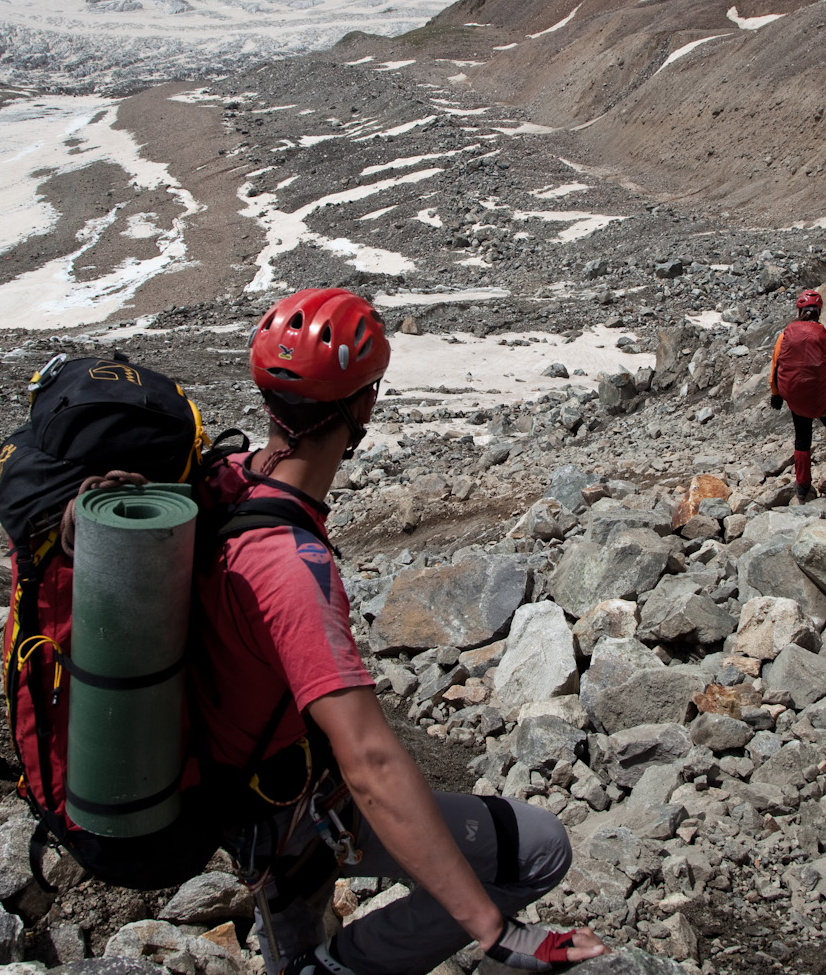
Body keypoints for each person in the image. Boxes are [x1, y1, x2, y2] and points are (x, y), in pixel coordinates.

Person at [190, 288, 607, 975]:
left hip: (246, 794)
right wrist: (495, 930)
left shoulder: (226, 481)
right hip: (292, 812)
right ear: (363, 406)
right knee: (538, 848)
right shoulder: (292, 564)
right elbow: (371, 762)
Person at [768, 289, 826, 502]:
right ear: (819, 312)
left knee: (802, 438)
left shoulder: (785, 336)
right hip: (825, 401)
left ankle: (803, 487)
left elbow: (776, 365)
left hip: (797, 401)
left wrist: (776, 393)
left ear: (800, 311)